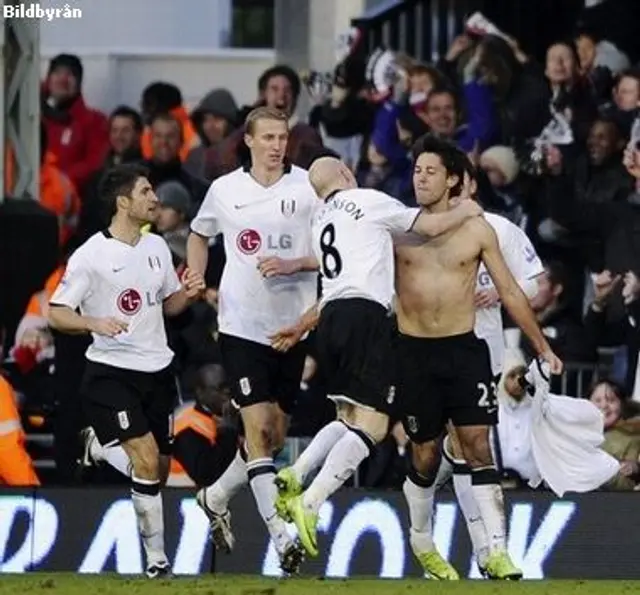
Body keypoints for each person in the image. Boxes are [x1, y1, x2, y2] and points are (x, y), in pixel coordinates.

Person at [269, 155, 484, 559]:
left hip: (329, 320)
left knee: (347, 418)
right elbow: (430, 225)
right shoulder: (367, 200)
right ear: (348, 175)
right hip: (364, 317)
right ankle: (311, 501)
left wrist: (301, 325)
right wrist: (468, 207)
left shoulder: (320, 220)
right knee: (375, 426)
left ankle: (295, 474)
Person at [392, 135, 563, 580]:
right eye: (416, 170)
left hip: (464, 350)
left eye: (430, 171)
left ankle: (498, 552)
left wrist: (541, 345)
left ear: (454, 180)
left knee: (478, 447)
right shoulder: (395, 226)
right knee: (426, 456)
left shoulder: (480, 230)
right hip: (412, 353)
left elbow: (510, 291)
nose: (421, 178)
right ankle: (421, 540)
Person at [47, 163, 205, 578]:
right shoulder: (90, 255)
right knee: (148, 462)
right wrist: (93, 323)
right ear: (123, 202)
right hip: (112, 371)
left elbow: (167, 305)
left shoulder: (155, 249)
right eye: (147, 192)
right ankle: (157, 562)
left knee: (158, 467)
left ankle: (98, 448)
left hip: (158, 370)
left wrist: (186, 296)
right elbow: (57, 312)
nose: (156, 199)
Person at [186, 106, 319, 574]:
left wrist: (295, 266)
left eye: (283, 137)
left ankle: (216, 495)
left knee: (275, 434)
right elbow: (200, 235)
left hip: (293, 325)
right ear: (249, 140)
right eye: (268, 137)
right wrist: (198, 273)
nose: (277, 145)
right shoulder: (225, 191)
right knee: (258, 431)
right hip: (242, 325)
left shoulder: (308, 187)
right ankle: (281, 541)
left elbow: (333, 251)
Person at [433, 158, 545, 577]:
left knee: (469, 446)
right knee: (450, 449)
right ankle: (436, 526)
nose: (453, 195)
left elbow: (536, 280)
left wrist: (500, 292)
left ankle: (486, 548)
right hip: (432, 351)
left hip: (483, 353)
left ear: (471, 186)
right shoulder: (426, 232)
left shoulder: (499, 229)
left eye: (459, 186)